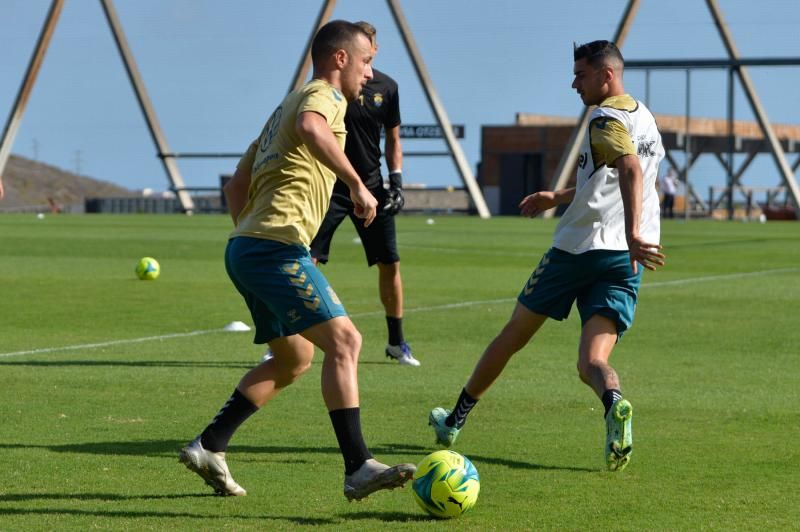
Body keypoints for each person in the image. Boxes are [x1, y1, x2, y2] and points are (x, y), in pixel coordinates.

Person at [179, 20, 415, 500]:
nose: (371, 74)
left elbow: (234, 186)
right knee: (347, 341)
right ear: (340, 59)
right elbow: (312, 128)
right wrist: (356, 183)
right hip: (273, 248)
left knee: (294, 358)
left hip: (245, 247)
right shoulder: (322, 98)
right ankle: (358, 467)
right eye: (366, 61)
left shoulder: (280, 109)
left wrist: (251, 231)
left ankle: (210, 445)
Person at [428, 40, 666, 472]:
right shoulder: (645, 118)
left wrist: (630, 230)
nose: (573, 83)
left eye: (581, 74)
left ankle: (453, 421)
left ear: (606, 75)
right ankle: (614, 403)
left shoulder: (604, 118)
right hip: (625, 260)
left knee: (513, 334)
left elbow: (629, 168)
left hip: (579, 248)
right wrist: (559, 195)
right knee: (592, 362)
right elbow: (616, 179)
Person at [308, 21, 420, 367]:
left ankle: (396, 342)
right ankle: (288, 339)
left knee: (390, 263)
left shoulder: (386, 87)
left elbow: (394, 141)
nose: (367, 64)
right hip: (331, 186)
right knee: (307, 260)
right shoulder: (327, 89)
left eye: (371, 53)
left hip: (372, 186)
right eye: (363, 55)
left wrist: (397, 182)